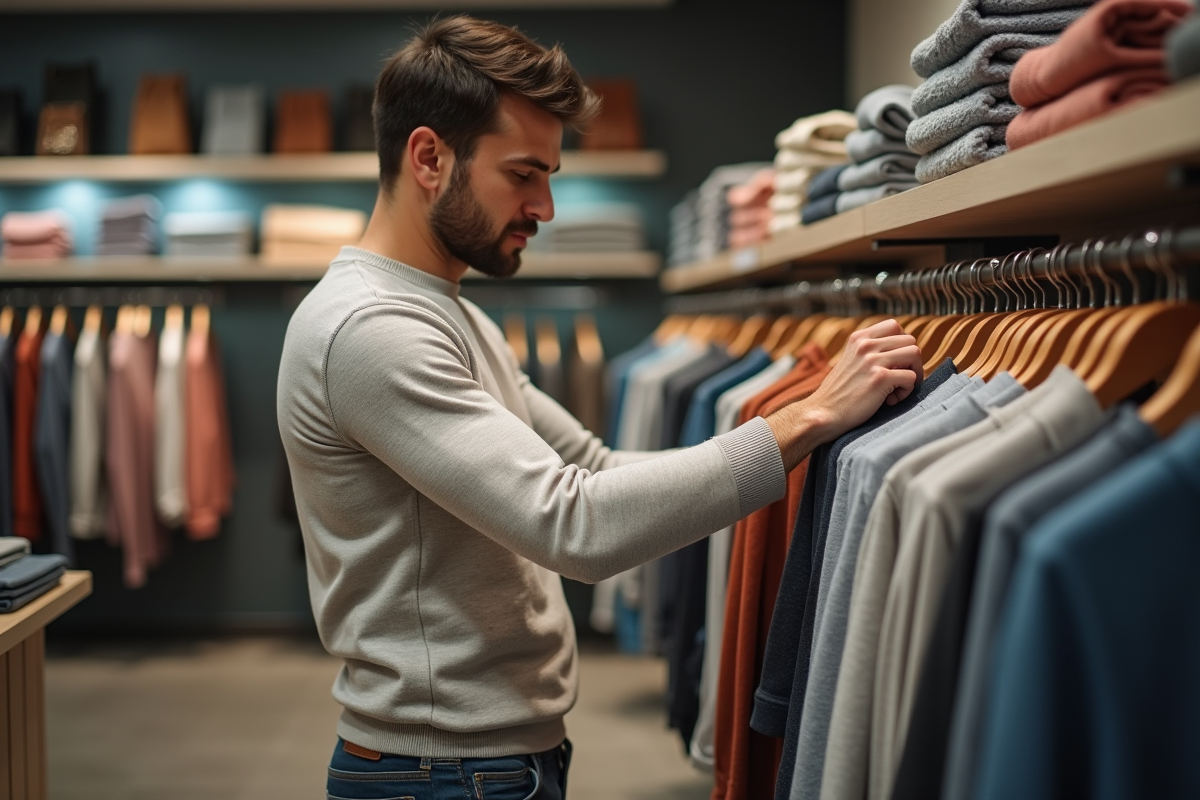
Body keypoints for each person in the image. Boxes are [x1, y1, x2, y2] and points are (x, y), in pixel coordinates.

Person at [276, 15, 923, 800]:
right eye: (523, 174)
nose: (545, 207)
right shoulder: (370, 329)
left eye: (548, 175)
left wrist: (788, 429)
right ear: (428, 156)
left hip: (485, 762)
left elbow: (592, 465)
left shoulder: (449, 312)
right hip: (441, 772)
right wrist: (803, 421)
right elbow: (572, 523)